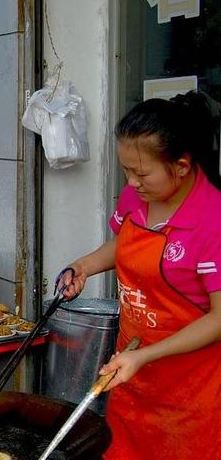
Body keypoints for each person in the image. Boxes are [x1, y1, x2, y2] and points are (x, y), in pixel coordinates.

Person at [60, 94, 221, 460]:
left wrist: (146, 356)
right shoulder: (136, 198)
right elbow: (123, 244)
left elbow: (219, 317)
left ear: (181, 166)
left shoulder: (213, 221)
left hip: (189, 393)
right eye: (126, 171)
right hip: (131, 375)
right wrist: (83, 266)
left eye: (142, 173)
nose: (131, 183)